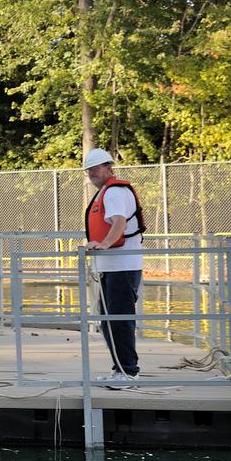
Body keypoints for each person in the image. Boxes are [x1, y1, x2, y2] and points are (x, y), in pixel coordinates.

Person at [83, 148, 146, 380]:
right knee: (109, 321)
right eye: (89, 170)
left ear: (109, 167)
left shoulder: (114, 192)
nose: (92, 174)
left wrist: (104, 244)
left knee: (119, 321)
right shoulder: (106, 192)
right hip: (113, 268)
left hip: (122, 267)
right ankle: (120, 369)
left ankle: (128, 372)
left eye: (96, 168)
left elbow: (119, 223)